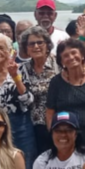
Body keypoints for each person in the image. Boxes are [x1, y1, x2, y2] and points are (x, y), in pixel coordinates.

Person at [0, 33, 36, 169]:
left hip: (20, 125)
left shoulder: (22, 69)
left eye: (1, 48)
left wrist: (15, 77)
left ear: (10, 51)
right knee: (0, 168)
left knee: (25, 168)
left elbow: (28, 101)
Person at [21, 27, 60, 156]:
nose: (36, 46)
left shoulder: (58, 64)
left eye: (40, 42)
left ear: (47, 45)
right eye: (31, 44)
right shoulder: (22, 69)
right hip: (32, 127)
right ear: (26, 48)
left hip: (57, 124)